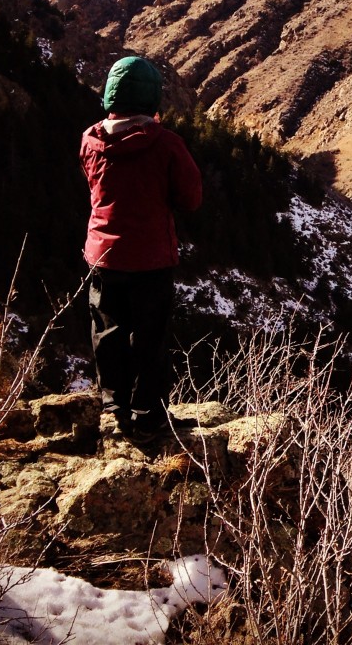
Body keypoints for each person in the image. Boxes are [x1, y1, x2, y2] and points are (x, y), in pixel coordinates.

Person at [80, 56, 202, 442]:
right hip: (151, 257)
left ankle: (114, 411)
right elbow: (191, 198)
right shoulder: (166, 144)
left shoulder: (91, 140)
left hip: (103, 254)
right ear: (153, 99)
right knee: (150, 337)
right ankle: (149, 417)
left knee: (108, 332)